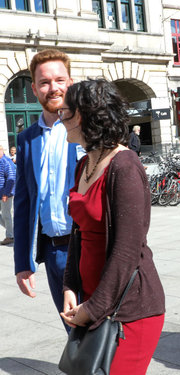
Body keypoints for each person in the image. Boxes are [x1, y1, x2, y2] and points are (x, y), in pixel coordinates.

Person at [60, 79, 165, 374]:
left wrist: (92, 309)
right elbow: (78, 233)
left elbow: (127, 250)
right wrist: (70, 286)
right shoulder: (85, 164)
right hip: (97, 303)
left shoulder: (125, 166)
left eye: (64, 112)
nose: (60, 119)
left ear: (80, 115)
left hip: (130, 309)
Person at [14, 49, 80, 328]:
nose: (53, 88)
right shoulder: (27, 139)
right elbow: (24, 203)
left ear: (71, 81)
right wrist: (22, 264)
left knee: (103, 335)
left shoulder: (86, 127)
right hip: (53, 254)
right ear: (34, 88)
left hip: (87, 249)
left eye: (59, 80)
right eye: (44, 82)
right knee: (75, 335)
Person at [0, 145, 15, 245]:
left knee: (6, 215)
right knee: (5, 216)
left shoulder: (6, 161)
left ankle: (10, 236)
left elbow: (11, 178)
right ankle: (13, 231)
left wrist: (6, 193)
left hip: (6, 194)